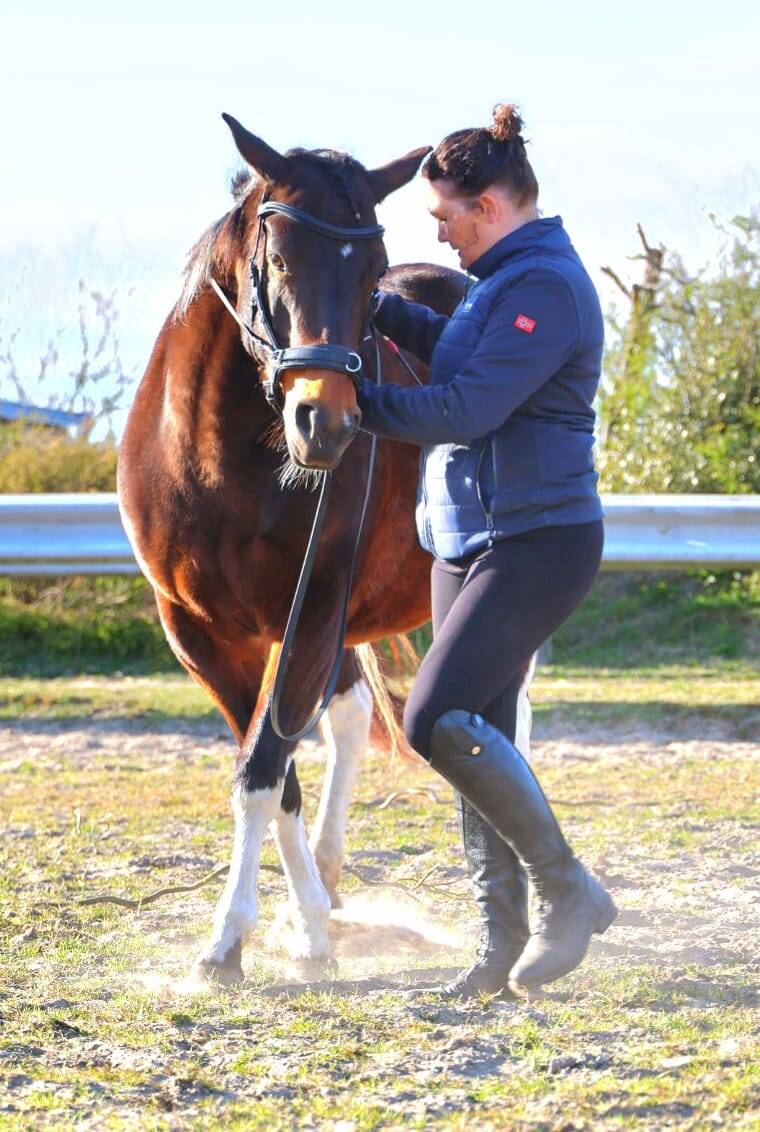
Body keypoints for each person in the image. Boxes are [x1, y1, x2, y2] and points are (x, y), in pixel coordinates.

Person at [355, 103, 617, 1000]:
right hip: (466, 538)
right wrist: (374, 309)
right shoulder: (497, 281)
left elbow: (467, 408)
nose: (442, 235)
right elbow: (454, 350)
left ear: (492, 206)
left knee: (431, 719)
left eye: (446, 219)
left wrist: (360, 409)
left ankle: (566, 889)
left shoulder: (543, 285)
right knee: (480, 733)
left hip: (537, 541)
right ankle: (498, 943)